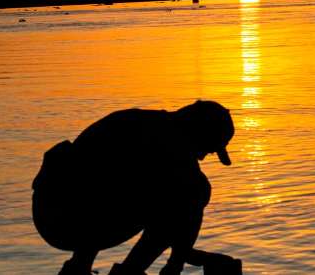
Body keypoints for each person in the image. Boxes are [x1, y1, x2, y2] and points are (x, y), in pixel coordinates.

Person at [31, 100, 242, 275]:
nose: (203, 156)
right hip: (71, 218)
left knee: (117, 184)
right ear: (199, 131)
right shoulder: (172, 148)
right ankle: (131, 272)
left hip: (48, 211)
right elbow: (184, 208)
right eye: (208, 149)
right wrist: (178, 261)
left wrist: (186, 253)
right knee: (193, 191)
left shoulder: (135, 120)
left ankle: (79, 266)